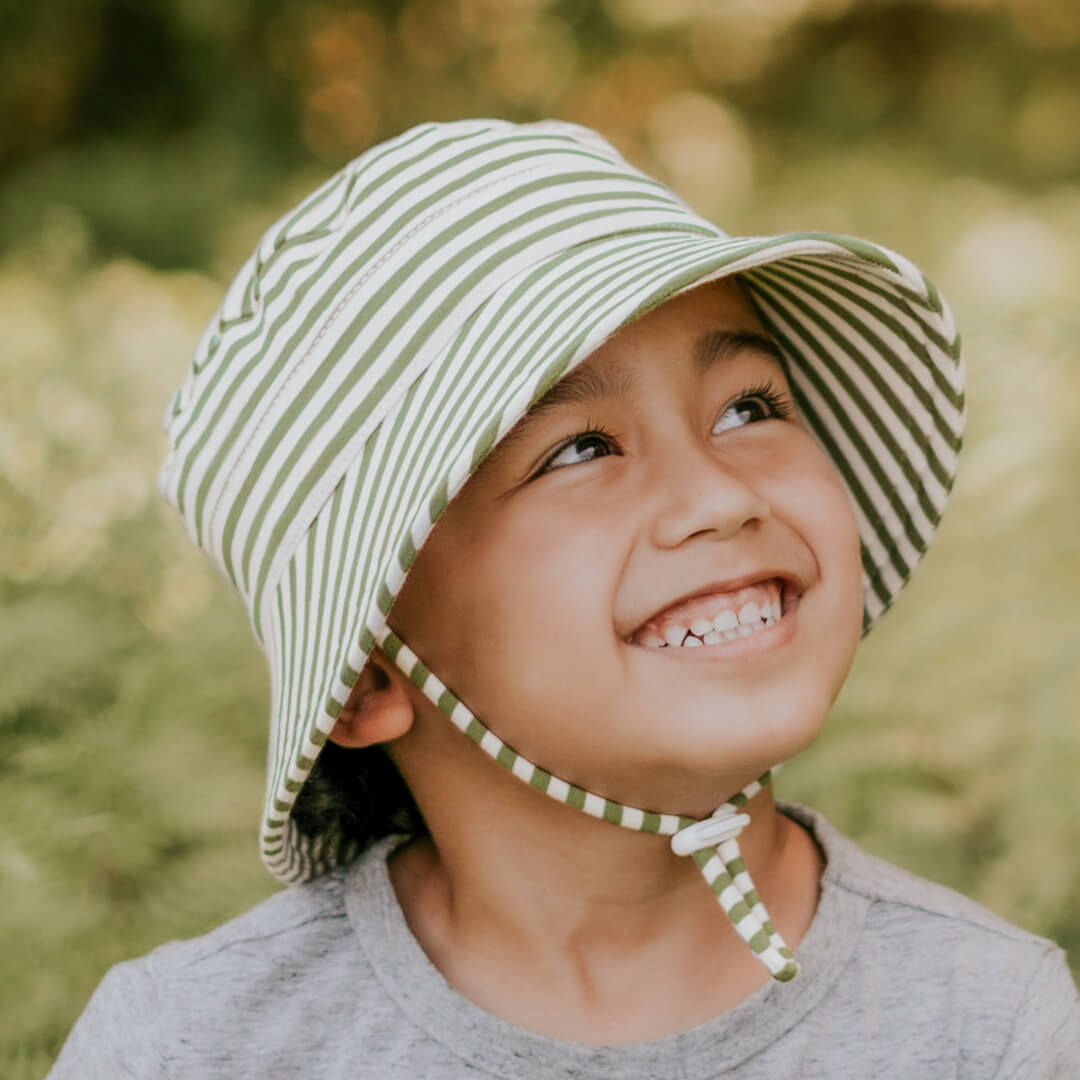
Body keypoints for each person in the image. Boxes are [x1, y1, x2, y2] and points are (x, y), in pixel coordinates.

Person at [50, 119, 1079, 1078]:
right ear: (368, 672)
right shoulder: (187, 1048)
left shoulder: (991, 1025)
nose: (720, 497)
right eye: (581, 450)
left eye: (748, 407)